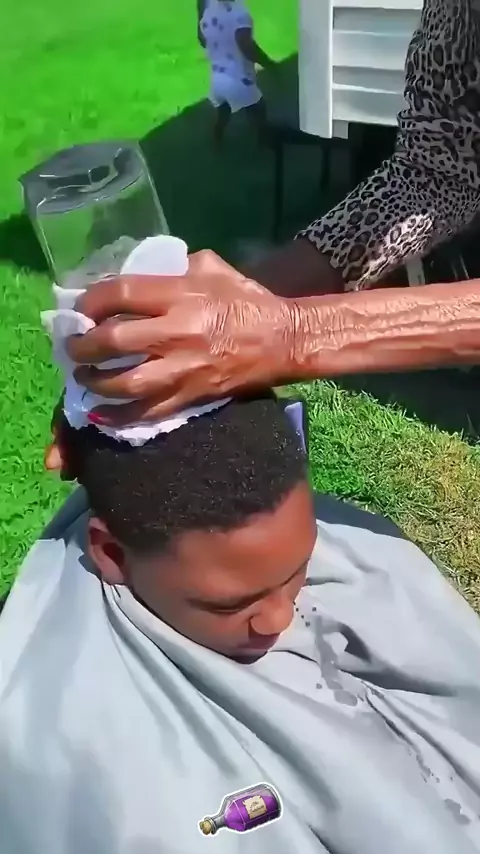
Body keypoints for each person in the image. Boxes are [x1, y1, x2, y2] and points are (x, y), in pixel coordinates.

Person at [5, 393, 480, 853]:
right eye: (229, 605)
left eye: (298, 571)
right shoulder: (74, 744)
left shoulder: (348, 551)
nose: (280, 618)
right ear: (110, 553)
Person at [197, 0, 275, 146]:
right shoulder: (240, 13)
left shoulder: (209, 7)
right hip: (239, 80)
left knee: (223, 110)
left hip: (217, 79)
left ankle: (217, 138)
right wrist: (269, 64)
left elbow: (203, 37)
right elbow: (247, 46)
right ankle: (263, 139)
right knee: (258, 108)